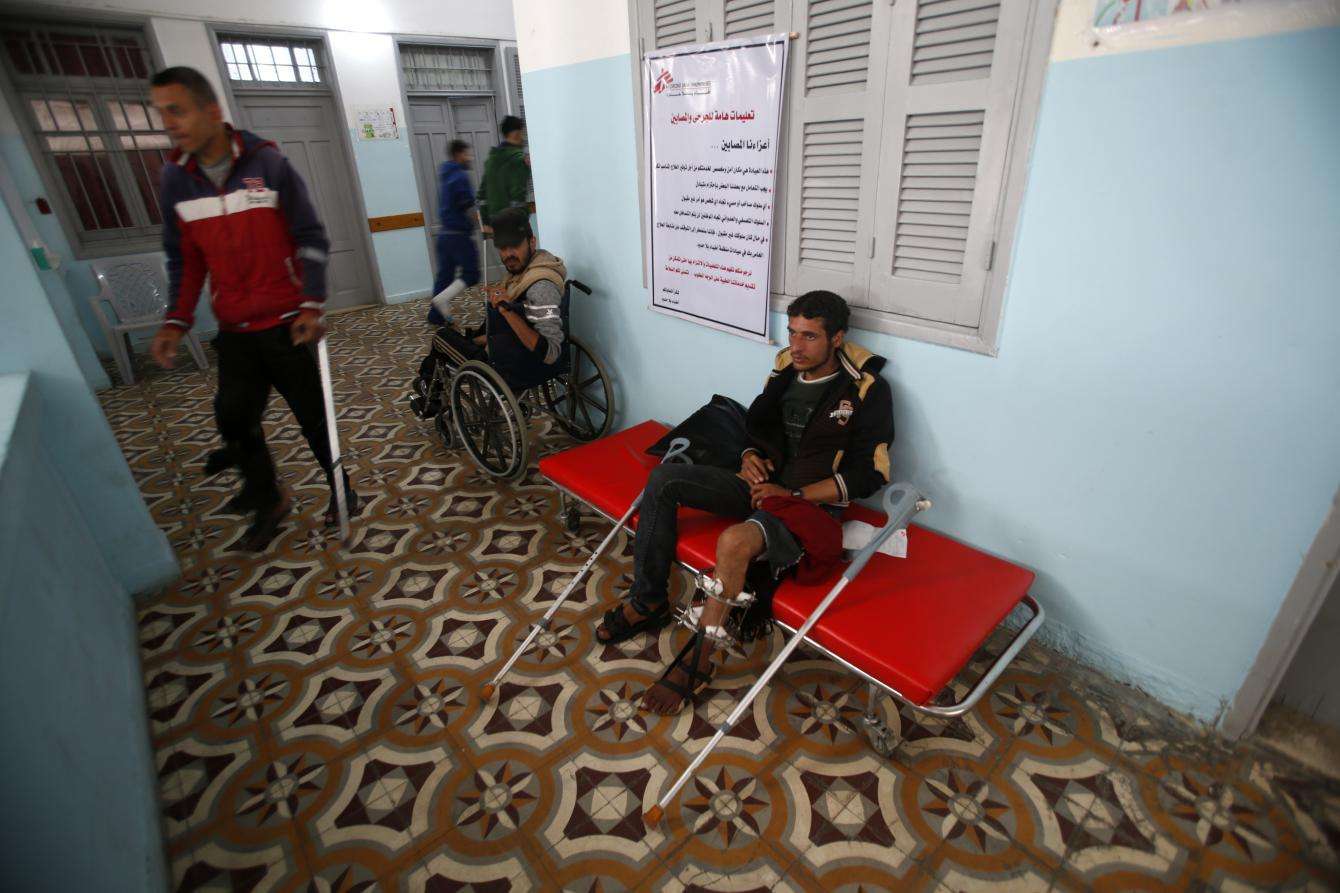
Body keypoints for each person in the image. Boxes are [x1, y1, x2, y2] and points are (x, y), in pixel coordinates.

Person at [594, 292, 895, 714]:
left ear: (838, 338)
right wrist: (749, 457)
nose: (797, 345)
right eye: (792, 333)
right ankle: (648, 601)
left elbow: (872, 473)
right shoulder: (786, 371)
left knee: (735, 543)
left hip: (807, 504)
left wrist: (794, 495)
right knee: (664, 478)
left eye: (810, 336)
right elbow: (757, 428)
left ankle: (698, 658)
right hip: (765, 487)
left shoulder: (865, 390)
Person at [147, 66, 361, 551]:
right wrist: (176, 320)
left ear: (212, 110)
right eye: (161, 113)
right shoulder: (177, 181)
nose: (169, 123)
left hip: (287, 324)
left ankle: (341, 490)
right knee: (234, 418)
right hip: (236, 330)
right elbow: (184, 259)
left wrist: (310, 303)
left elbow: (309, 238)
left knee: (314, 417)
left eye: (176, 110)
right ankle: (269, 499)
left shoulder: (268, 165)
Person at [418, 207, 566, 402]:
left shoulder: (540, 287)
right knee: (463, 336)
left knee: (441, 338)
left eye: (514, 246)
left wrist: (506, 309)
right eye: (503, 248)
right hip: (508, 351)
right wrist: (479, 338)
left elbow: (550, 353)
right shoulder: (530, 271)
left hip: (506, 368)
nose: (508, 254)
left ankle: (429, 396)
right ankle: (429, 385)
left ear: (532, 242)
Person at [426, 139, 480, 326]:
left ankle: (435, 315)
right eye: (467, 153)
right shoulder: (460, 176)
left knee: (445, 275)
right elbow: (467, 206)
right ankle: (441, 301)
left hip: (444, 236)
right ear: (458, 154)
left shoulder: (445, 175)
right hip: (459, 235)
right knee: (472, 274)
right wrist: (483, 225)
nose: (469, 157)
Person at [476, 116, 530, 234]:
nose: (523, 137)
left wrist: (486, 222)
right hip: (515, 224)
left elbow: (481, 195)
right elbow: (518, 196)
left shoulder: (491, 159)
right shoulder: (518, 160)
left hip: (495, 224)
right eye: (522, 133)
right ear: (516, 134)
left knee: (505, 252)